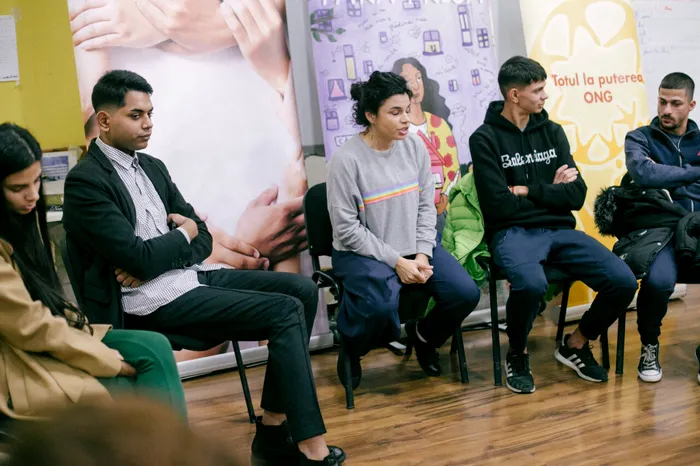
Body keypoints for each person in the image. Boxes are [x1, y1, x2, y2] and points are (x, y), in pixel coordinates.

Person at [61, 70, 345, 466]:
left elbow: (203, 238)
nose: (147, 124)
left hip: (188, 278)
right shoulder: (85, 182)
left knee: (301, 290)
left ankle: (271, 429)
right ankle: (308, 444)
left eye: (150, 114)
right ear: (105, 120)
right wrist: (180, 236)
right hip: (145, 302)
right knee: (284, 311)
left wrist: (173, 245)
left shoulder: (153, 167)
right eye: (136, 115)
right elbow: (140, 257)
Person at [469, 56, 638, 394]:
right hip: (512, 232)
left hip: (560, 230)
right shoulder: (484, 139)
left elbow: (576, 194)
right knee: (531, 284)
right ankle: (517, 353)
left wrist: (527, 190)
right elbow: (499, 205)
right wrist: (551, 190)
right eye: (537, 90)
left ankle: (576, 343)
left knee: (623, 281)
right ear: (514, 95)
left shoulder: (552, 131)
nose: (545, 96)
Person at [0, 123, 188, 421]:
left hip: (49, 336)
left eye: (37, 181)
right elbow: (30, 327)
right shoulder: (89, 181)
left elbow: (46, 307)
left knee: (154, 347)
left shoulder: (24, 223)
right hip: (18, 357)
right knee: (116, 384)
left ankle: (172, 444)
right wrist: (104, 359)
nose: (33, 195)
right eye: (18, 188)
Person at [327, 71, 481, 388]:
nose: (406, 119)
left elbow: (427, 206)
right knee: (380, 308)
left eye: (407, 110)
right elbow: (347, 230)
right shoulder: (346, 161)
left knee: (464, 293)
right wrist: (397, 261)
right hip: (361, 252)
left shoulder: (414, 147)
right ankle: (352, 349)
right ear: (371, 116)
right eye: (395, 112)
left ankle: (424, 337)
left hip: (414, 245)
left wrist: (422, 253)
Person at [624, 72, 700, 384]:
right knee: (658, 282)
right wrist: (693, 172)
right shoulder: (639, 138)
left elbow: (657, 173)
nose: (666, 110)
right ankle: (649, 346)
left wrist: (667, 173)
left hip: (698, 229)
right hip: (661, 229)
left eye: (675, 103)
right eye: (662, 101)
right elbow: (644, 173)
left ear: (691, 105)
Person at [393, 57, 461, 225]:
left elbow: (453, 170)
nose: (415, 86)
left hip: (445, 211)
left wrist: (445, 197)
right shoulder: (397, 129)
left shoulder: (440, 125)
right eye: (407, 80)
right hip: (412, 215)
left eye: (418, 77)